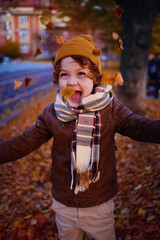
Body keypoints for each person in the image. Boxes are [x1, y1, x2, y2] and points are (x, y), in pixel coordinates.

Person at [0, 35, 160, 240]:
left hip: (99, 204)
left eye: (81, 73)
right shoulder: (53, 113)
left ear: (95, 78)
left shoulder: (110, 108)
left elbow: (141, 127)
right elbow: (23, 142)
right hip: (64, 204)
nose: (72, 81)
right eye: (64, 74)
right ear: (58, 79)